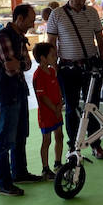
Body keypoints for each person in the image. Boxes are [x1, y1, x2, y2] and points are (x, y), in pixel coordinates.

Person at [46, 0, 103, 159]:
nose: (81, 2)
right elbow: (51, 41)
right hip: (68, 68)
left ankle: (95, 144)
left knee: (93, 107)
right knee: (71, 108)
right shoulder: (57, 15)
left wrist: (102, 59)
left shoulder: (92, 12)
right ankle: (73, 146)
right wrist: (54, 66)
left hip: (91, 67)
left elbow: (99, 37)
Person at [0, 4, 42, 196]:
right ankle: (4, 182)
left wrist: (18, 63)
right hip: (7, 91)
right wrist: (19, 63)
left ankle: (19, 172)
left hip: (18, 89)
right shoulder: (3, 38)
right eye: (31, 18)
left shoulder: (17, 38)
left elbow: (26, 65)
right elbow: (12, 67)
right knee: (6, 138)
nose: (32, 22)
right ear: (19, 18)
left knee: (20, 134)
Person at [31, 42, 64, 181]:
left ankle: (58, 162)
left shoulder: (52, 72)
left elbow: (58, 90)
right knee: (47, 140)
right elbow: (42, 96)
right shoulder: (38, 75)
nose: (55, 57)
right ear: (43, 58)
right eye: (52, 55)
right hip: (46, 114)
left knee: (60, 136)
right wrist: (54, 109)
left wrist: (60, 105)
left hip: (56, 111)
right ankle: (45, 168)